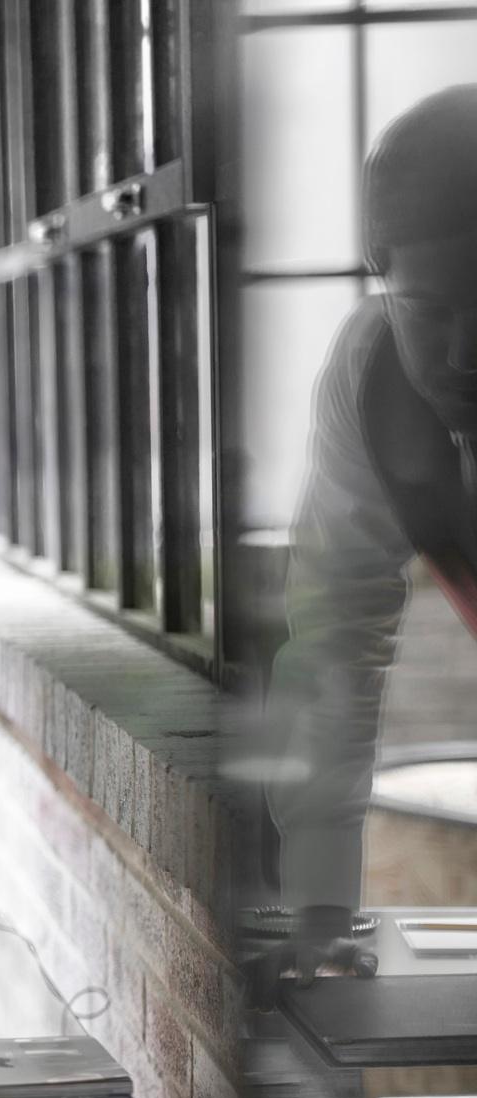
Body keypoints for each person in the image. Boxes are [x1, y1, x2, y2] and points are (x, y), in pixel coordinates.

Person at [262, 84, 477, 992]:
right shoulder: (370, 371)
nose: (467, 352)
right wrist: (318, 903)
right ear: (383, 280)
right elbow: (332, 639)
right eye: (431, 309)